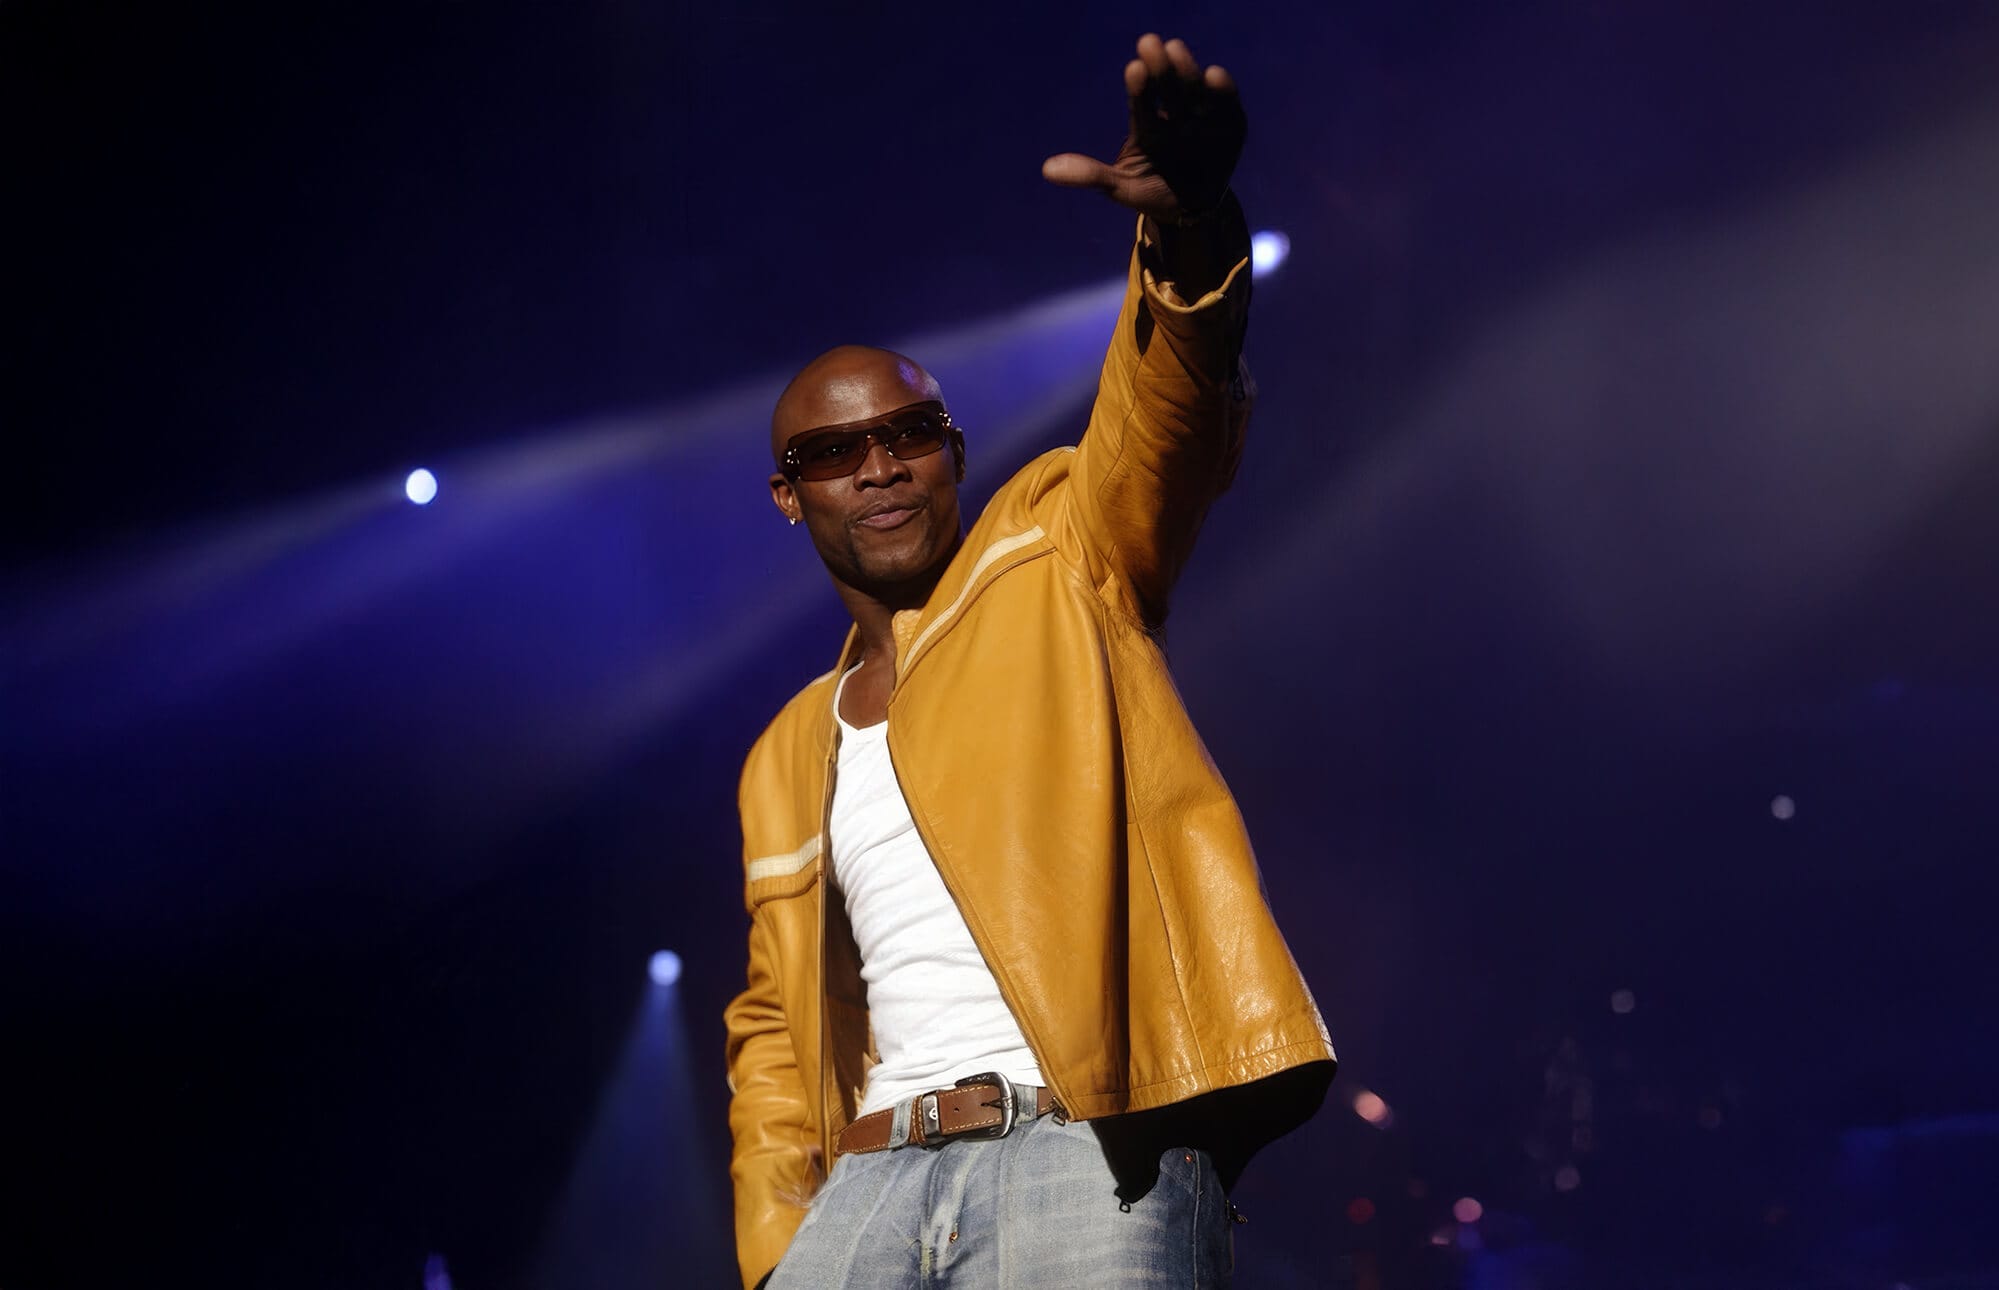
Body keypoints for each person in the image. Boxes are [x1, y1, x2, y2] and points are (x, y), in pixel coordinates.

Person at [723, 32, 1335, 1290]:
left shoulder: (1056, 552)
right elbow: (775, 1029)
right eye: (840, 454)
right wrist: (780, 1243)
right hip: (868, 1184)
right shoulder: (785, 750)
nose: (882, 465)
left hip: (1082, 1149)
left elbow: (1166, 417)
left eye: (910, 435)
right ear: (790, 496)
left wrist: (1192, 233)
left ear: (950, 454)